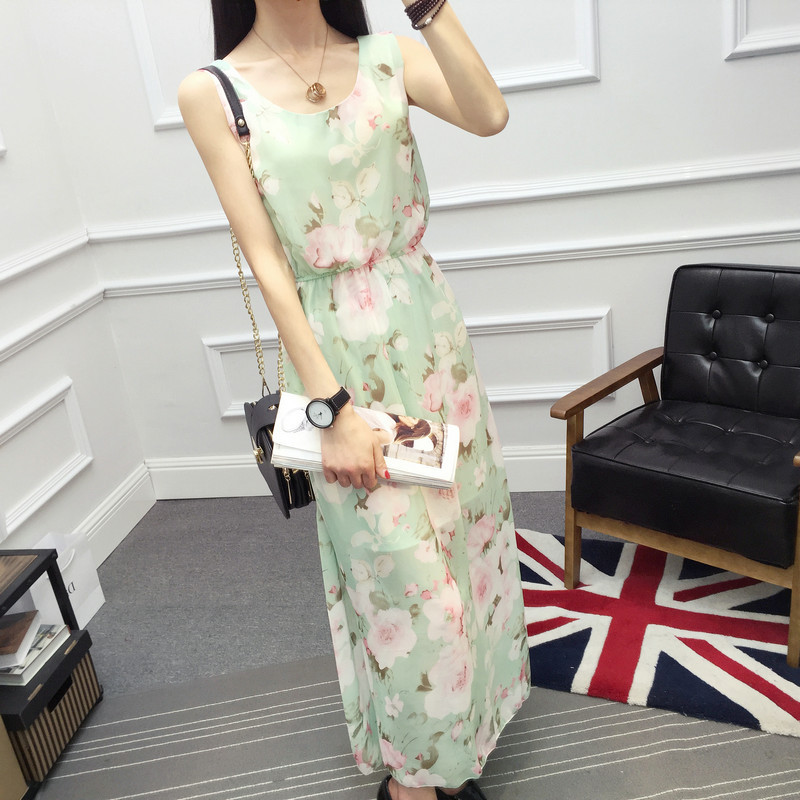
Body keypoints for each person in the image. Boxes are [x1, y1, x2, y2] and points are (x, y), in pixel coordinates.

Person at [178, 2, 531, 798]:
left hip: (429, 333)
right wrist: (330, 407)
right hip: (332, 354)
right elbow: (269, 262)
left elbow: (489, 115)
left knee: (466, 543)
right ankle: (411, 779)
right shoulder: (214, 91)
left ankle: (460, 740)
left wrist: (430, 9)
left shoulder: (390, 56)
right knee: (396, 574)